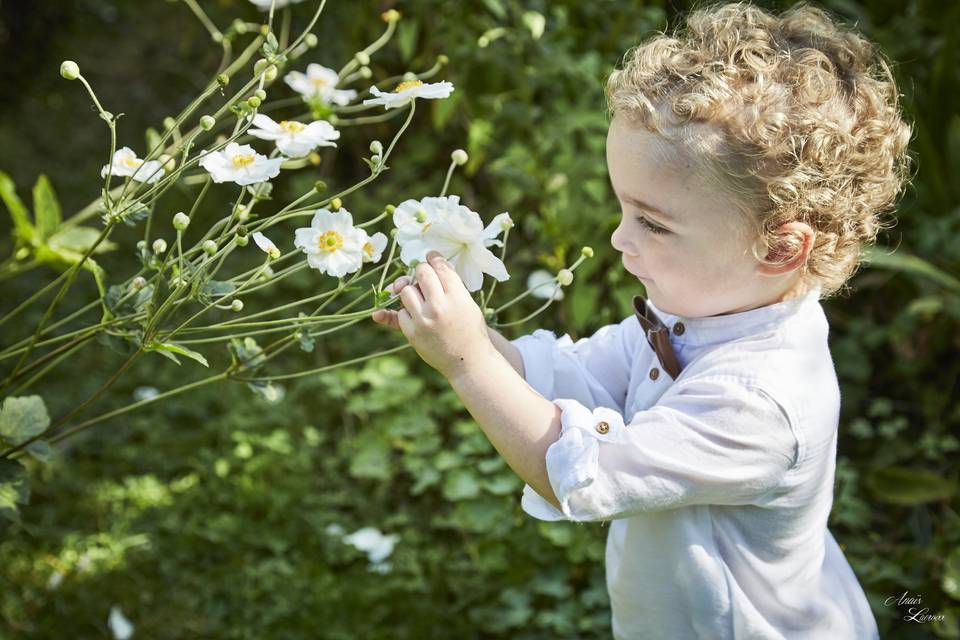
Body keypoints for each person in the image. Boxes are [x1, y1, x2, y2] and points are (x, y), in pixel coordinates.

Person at [372, 2, 911, 637]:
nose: (619, 239)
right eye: (625, 210)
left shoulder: (760, 401)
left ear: (778, 248)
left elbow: (571, 473)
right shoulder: (701, 312)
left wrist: (466, 362)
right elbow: (575, 376)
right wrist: (469, 333)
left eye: (652, 222)